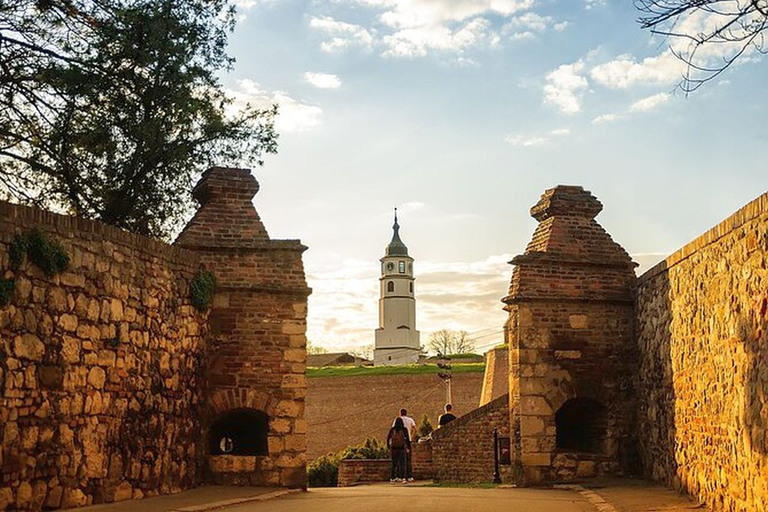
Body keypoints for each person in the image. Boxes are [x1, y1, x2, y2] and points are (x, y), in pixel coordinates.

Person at [393, 409, 416, 481]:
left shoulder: (397, 420)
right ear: (406, 413)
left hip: (399, 443)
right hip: (407, 441)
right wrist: (412, 437)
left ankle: (399, 476)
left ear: (400, 413)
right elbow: (415, 429)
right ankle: (409, 476)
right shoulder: (410, 420)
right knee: (408, 459)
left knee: (399, 460)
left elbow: (393, 429)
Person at [387, 417, 411, 483]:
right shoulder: (404, 429)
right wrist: (408, 447)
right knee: (402, 463)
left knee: (394, 464)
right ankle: (403, 478)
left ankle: (392, 478)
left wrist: (389, 447)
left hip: (393, 448)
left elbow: (388, 438)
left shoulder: (392, 429)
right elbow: (407, 439)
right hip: (401, 448)